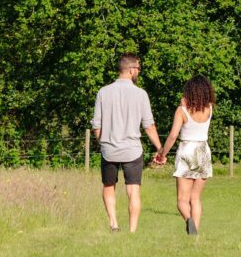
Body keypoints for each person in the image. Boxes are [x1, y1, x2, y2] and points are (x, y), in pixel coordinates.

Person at [91, 53, 163, 233]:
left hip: (109, 150)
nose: (138, 71)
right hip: (132, 150)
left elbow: (96, 125)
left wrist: (103, 142)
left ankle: (114, 223)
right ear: (131, 70)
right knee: (133, 190)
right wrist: (160, 149)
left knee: (109, 186)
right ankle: (132, 230)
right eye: (138, 68)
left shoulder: (103, 92)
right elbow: (149, 125)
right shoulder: (141, 94)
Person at [155, 75, 215, 235]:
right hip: (203, 151)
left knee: (182, 200)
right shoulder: (209, 108)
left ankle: (189, 221)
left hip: (187, 150)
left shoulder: (182, 111)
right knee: (195, 198)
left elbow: (173, 135)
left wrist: (162, 154)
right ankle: (195, 234)